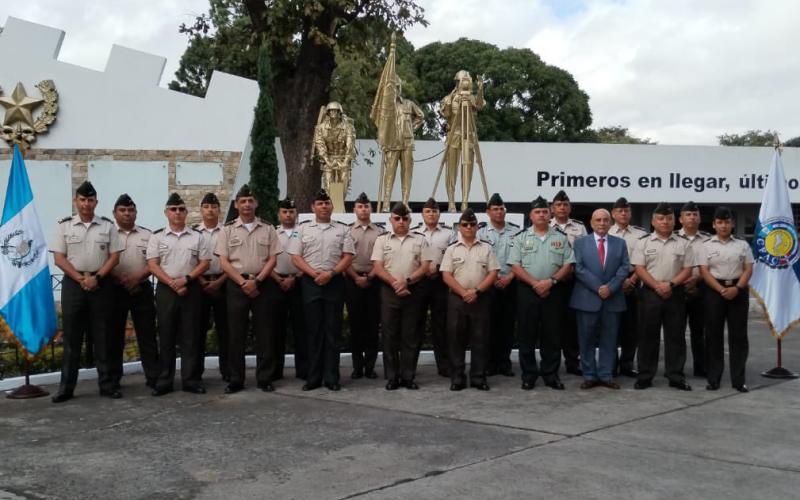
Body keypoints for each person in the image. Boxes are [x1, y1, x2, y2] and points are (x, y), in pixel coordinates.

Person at [50, 181, 123, 403]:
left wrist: (97, 277)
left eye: (90, 200)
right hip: (75, 284)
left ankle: (107, 385)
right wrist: (81, 278)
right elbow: (59, 258)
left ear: (96, 202)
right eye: (82, 199)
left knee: (104, 337)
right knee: (72, 338)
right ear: (76, 201)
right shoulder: (64, 226)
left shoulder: (107, 226)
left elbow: (114, 256)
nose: (86, 204)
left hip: (101, 283)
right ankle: (66, 388)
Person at [215, 185, 281, 393]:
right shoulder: (227, 230)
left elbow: (273, 258)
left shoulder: (268, 228)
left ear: (256, 204)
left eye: (250, 201)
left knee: (265, 332)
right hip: (236, 285)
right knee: (236, 334)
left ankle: (265, 378)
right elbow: (224, 261)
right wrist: (243, 283)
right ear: (236, 205)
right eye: (242, 201)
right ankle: (236, 379)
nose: (246, 205)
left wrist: (258, 281)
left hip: (263, 284)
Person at [289, 189, 354, 391]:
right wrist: (313, 273)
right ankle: (313, 377)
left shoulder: (343, 229)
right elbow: (295, 257)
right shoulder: (302, 229)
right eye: (320, 203)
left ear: (332, 207)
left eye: (326, 203)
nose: (324, 207)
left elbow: (348, 256)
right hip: (311, 283)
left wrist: (331, 273)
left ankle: (332, 377)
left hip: (333, 282)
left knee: (332, 332)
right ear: (313, 207)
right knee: (313, 331)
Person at [147, 193, 210, 396]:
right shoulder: (157, 236)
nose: (177, 213)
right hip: (167, 289)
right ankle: (165, 380)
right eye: (173, 209)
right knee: (166, 335)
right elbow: (152, 264)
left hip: (191, 288)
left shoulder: (197, 236)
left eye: (181, 209)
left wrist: (186, 280)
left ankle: (190, 380)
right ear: (166, 212)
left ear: (186, 212)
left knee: (190, 336)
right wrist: (172, 283)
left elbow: (204, 263)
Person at [509, 196, 574, 391]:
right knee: (526, 334)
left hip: (553, 292)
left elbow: (568, 265)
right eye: (537, 212)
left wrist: (551, 281)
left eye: (545, 211)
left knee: (552, 335)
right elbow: (515, 265)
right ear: (531, 215)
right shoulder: (521, 237)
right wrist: (535, 283)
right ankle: (529, 375)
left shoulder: (560, 238)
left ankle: (550, 374)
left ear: (550, 214)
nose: (541, 215)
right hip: (528, 291)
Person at [630, 202, 695, 391]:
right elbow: (639, 268)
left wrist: (671, 284)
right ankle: (645, 375)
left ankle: (675, 375)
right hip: (650, 293)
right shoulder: (643, 242)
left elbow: (688, 269)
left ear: (674, 221)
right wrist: (656, 285)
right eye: (661, 218)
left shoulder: (684, 243)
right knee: (647, 336)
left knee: (675, 336)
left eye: (669, 218)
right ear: (653, 221)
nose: (665, 222)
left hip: (675, 293)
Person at [371, 202, 430, 390]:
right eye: (397, 219)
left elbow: (425, 266)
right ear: (391, 220)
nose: (401, 222)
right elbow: (378, 267)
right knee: (389, 335)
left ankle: (408, 376)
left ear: (410, 220)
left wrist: (407, 281)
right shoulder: (382, 240)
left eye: (405, 219)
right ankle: (392, 377)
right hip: (389, 291)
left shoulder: (419, 239)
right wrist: (395, 283)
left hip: (413, 290)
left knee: (410, 335)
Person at [570, 209, 630, 390]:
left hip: (612, 299)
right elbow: (578, 268)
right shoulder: (580, 243)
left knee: (609, 340)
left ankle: (606, 375)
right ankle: (589, 375)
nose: (602, 223)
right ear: (591, 222)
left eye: (605, 220)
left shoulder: (620, 243)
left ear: (610, 222)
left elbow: (624, 267)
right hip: (587, 298)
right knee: (586, 339)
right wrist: (598, 287)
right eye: (598, 220)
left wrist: (610, 288)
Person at [441, 209, 499, 391]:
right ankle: (457, 377)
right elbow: (446, 275)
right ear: (459, 227)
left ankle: (478, 377)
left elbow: (493, 273)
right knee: (456, 339)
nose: (468, 227)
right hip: (457, 299)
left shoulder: (486, 247)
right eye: (465, 224)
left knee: (480, 339)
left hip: (480, 298)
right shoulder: (452, 249)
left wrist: (476, 291)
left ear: (477, 227)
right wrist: (463, 292)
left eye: (472, 224)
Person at [697, 206, 753, 392]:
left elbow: (748, 269)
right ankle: (714, 379)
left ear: (732, 223)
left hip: (738, 290)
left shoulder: (742, 245)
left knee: (738, 337)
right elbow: (704, 271)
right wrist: (721, 289)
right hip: (714, 291)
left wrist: (737, 288)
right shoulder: (706, 246)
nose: (723, 226)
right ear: (714, 224)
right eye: (720, 222)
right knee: (713, 336)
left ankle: (739, 380)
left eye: (727, 222)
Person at [108, 193, 159, 391]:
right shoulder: (108, 233)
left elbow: (154, 261)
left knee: (147, 334)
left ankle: (154, 377)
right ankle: (113, 380)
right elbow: (103, 260)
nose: (127, 214)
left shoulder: (148, 235)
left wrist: (136, 279)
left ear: (136, 213)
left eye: (130, 210)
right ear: (115, 213)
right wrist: (119, 279)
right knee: (114, 336)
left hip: (141, 288)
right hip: (114, 288)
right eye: (122, 210)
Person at [412, 197, 455, 377]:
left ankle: (444, 366)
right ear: (422, 214)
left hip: (440, 281)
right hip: (419, 282)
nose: (431, 214)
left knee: (441, 325)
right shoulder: (414, 233)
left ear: (439, 214)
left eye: (435, 211)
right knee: (415, 325)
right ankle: (410, 366)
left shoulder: (448, 234)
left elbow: (453, 255)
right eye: (428, 211)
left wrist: (437, 268)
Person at [477, 192, 519, 377]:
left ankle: (504, 363)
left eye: (502, 209)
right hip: (488, 285)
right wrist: (492, 279)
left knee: (507, 326)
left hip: (510, 283)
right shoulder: (481, 232)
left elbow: (521, 258)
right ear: (488, 212)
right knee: (488, 326)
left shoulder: (516, 231)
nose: (499, 212)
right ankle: (489, 363)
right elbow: (478, 259)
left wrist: (509, 277)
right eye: (495, 209)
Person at [345, 192, 384, 379]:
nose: (363, 209)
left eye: (367, 206)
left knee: (372, 325)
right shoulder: (347, 231)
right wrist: (355, 277)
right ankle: (357, 366)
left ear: (371, 209)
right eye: (360, 206)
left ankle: (370, 366)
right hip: (352, 280)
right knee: (355, 326)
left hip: (374, 280)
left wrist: (369, 277)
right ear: (354, 210)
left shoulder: (380, 233)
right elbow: (343, 259)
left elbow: (382, 260)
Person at [609, 197, 648, 377]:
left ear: (630, 213)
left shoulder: (640, 234)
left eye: (626, 211)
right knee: (611, 326)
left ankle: (627, 364)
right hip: (611, 283)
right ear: (613, 214)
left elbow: (645, 262)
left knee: (631, 327)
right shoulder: (607, 232)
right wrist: (617, 281)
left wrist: (632, 280)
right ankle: (610, 365)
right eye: (619, 211)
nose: (623, 214)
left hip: (635, 280)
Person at [271, 197, 308, 380]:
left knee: (301, 329)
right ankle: (276, 370)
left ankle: (303, 370)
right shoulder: (272, 233)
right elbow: (266, 260)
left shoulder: (304, 232)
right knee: (276, 329)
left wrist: (295, 277)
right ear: (279, 214)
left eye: (291, 212)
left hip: (299, 282)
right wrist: (278, 279)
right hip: (276, 283)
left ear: (296, 214)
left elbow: (308, 259)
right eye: (284, 212)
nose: (288, 215)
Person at [549, 189, 586, 376]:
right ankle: (552, 363)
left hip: (574, 281)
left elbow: (585, 253)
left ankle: (573, 362)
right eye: (558, 205)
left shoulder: (579, 228)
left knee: (572, 324)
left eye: (565, 205)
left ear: (570, 208)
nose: (562, 208)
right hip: (552, 282)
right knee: (553, 323)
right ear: (552, 208)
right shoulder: (545, 225)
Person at [194, 192, 229, 382]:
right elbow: (191, 261)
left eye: (214, 207)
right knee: (197, 330)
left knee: (226, 330)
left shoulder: (227, 231)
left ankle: (228, 372)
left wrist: (219, 281)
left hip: (223, 283)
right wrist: (202, 281)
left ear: (219, 210)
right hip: (199, 285)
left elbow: (232, 260)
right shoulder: (193, 232)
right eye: (206, 207)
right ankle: (196, 373)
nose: (210, 210)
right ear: (201, 210)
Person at [441, 70, 486, 212]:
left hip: (469, 135)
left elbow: (479, 105)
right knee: (451, 170)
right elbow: (446, 113)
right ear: (457, 82)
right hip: (454, 134)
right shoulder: (450, 98)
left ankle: (465, 201)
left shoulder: (471, 98)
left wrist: (480, 89)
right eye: (462, 81)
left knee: (468, 169)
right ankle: (451, 201)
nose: (465, 84)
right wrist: (451, 101)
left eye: (468, 81)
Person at [677, 201, 711, 377]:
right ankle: (677, 368)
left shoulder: (708, 239)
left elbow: (712, 265)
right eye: (688, 214)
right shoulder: (673, 237)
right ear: (680, 219)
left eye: (694, 214)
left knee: (700, 331)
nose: (691, 217)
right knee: (677, 331)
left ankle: (701, 366)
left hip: (701, 289)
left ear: (699, 218)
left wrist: (696, 278)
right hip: (678, 289)